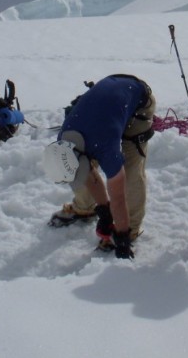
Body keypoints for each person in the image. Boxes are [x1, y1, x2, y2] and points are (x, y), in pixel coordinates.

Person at [42, 74, 156, 259]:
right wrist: (104, 213)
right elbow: (85, 169)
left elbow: (117, 198)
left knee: (131, 169)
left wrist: (122, 239)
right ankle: (87, 208)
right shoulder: (64, 141)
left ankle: (130, 229)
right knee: (84, 164)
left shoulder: (105, 148)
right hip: (108, 107)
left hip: (138, 103)